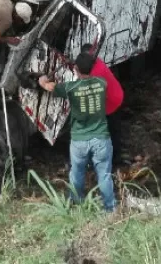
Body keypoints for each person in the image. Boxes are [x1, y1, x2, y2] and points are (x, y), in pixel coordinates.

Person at [37, 52, 116, 212]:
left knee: (77, 174)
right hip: (101, 138)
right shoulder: (101, 83)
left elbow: (49, 87)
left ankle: (76, 204)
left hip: (79, 140)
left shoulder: (71, 88)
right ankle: (110, 209)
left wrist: (42, 80)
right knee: (104, 175)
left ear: (76, 69)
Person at [81, 44, 124, 162]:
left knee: (110, 131)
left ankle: (113, 159)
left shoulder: (95, 75)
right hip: (115, 94)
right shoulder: (95, 62)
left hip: (111, 103)